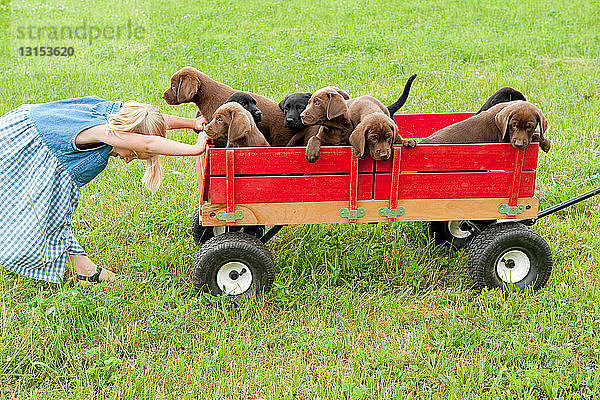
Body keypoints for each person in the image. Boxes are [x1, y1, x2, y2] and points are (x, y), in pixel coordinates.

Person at [0, 96, 208, 285]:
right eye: (134, 153)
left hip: (27, 128)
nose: (128, 160)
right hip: (20, 146)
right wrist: (196, 148)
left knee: (53, 214)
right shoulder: (102, 131)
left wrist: (191, 123)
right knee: (31, 215)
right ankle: (80, 269)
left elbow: (150, 121)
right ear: (128, 136)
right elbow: (148, 141)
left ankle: (85, 270)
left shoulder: (123, 116)